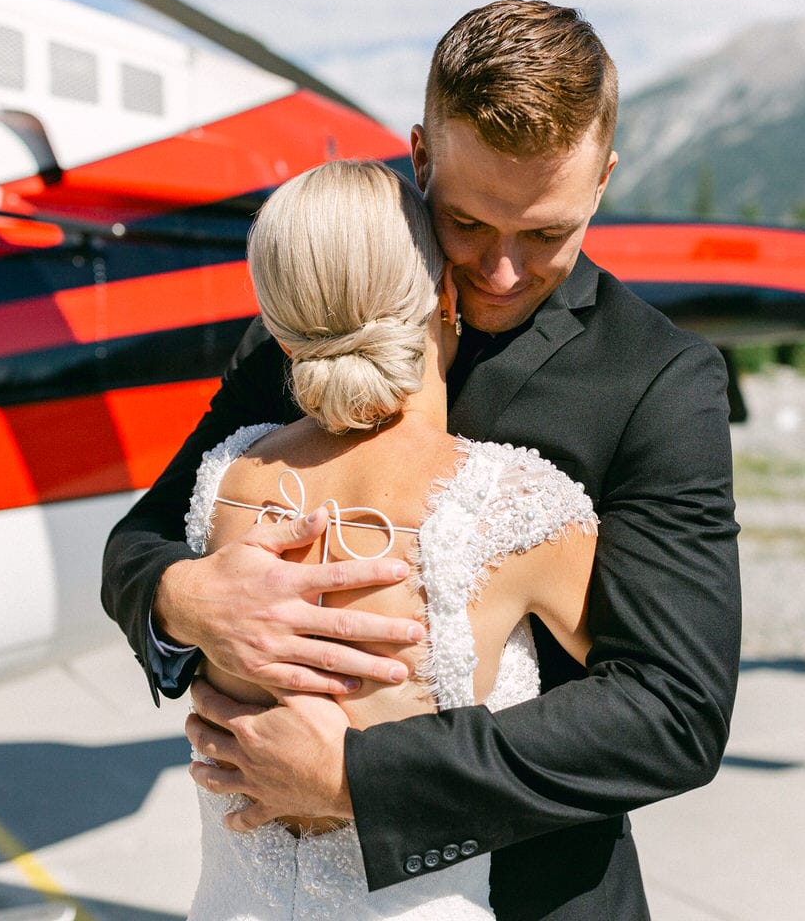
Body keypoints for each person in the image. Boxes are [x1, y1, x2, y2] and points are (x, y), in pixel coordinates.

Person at [102, 0, 741, 920]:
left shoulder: (659, 381)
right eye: (470, 224)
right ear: (419, 157)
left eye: (547, 234)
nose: (503, 273)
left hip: (536, 897)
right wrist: (184, 600)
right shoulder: (313, 322)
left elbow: (674, 711)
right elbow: (145, 537)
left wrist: (358, 777)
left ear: (601, 182)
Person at [185, 157, 598, 919]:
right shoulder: (516, 509)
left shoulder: (226, 483)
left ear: (276, 319)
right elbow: (642, 700)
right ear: (445, 293)